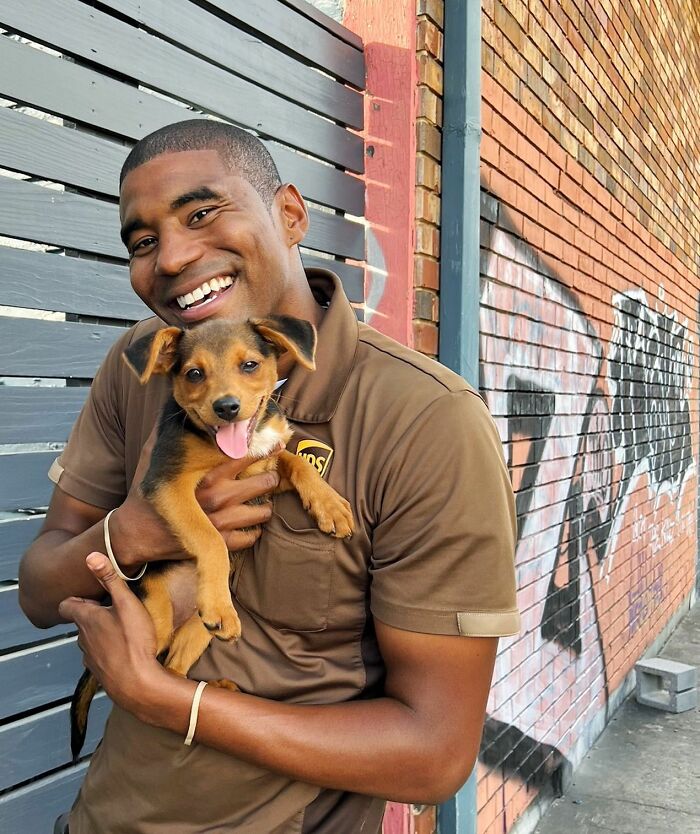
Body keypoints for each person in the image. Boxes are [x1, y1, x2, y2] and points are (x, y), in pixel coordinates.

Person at [19, 119, 519, 834]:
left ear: (289, 215)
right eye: (142, 241)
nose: (173, 257)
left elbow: (434, 757)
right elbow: (40, 589)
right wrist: (128, 534)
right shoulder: (144, 365)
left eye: (201, 213)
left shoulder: (424, 422)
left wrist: (167, 699)